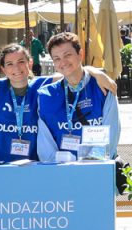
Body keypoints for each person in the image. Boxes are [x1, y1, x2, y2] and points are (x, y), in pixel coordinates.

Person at [36, 32, 120, 162]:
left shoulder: (103, 88)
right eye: (57, 58)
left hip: (98, 170)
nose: (62, 62)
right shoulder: (46, 96)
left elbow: (111, 138)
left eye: (67, 55)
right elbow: (45, 147)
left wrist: (86, 167)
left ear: (80, 54)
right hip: (62, 174)